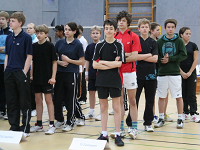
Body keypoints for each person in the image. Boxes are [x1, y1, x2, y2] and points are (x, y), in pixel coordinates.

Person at [93, 19, 125, 147]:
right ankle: (104, 133)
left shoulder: (119, 45)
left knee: (117, 108)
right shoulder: (99, 45)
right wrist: (110, 64)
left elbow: (119, 63)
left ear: (115, 30)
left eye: (111, 28)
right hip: (101, 80)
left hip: (115, 80)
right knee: (103, 108)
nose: (109, 30)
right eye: (107, 28)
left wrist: (103, 62)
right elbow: (95, 64)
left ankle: (118, 134)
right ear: (104, 30)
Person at [154, 19, 187, 129]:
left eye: (172, 27)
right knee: (162, 97)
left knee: (178, 97)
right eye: (168, 27)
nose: (170, 29)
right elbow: (156, 56)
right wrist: (161, 60)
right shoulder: (159, 42)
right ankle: (161, 118)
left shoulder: (179, 41)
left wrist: (171, 59)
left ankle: (180, 119)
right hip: (162, 73)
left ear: (175, 28)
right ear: (165, 28)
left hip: (175, 73)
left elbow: (183, 55)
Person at [4, 12, 32, 137]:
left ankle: (25, 127)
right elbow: (7, 55)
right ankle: (13, 126)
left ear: (20, 23)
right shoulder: (9, 37)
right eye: (10, 21)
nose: (10, 23)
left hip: (20, 72)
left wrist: (24, 72)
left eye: (13, 21)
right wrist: (6, 70)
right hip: (9, 72)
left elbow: (29, 56)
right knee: (11, 101)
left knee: (24, 101)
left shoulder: (26, 37)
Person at [115, 10, 142, 139]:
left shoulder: (134, 36)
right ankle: (120, 128)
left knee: (132, 101)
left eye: (124, 20)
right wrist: (127, 55)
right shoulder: (113, 36)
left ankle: (134, 128)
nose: (121, 22)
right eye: (119, 20)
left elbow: (135, 56)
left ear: (128, 23)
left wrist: (121, 57)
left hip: (130, 73)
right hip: (116, 73)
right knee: (119, 102)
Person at [53, 22, 85, 131]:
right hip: (59, 73)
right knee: (57, 98)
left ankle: (70, 122)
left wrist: (69, 61)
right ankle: (60, 120)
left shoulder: (78, 44)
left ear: (74, 31)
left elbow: (82, 62)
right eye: (65, 29)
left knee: (70, 99)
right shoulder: (59, 43)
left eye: (69, 30)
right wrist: (59, 62)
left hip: (72, 74)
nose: (67, 31)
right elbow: (53, 58)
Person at [30, 24, 57, 135]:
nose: (39, 35)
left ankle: (51, 125)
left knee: (49, 100)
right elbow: (32, 62)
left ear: (46, 34)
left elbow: (54, 62)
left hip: (47, 78)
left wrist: (53, 77)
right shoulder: (34, 46)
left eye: (41, 33)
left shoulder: (50, 46)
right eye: (38, 33)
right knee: (38, 100)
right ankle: (39, 124)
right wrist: (31, 75)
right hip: (36, 77)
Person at [135, 18, 158, 132]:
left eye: (146, 27)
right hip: (136, 75)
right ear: (139, 29)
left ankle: (148, 123)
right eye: (142, 27)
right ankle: (132, 123)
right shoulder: (135, 41)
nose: (144, 29)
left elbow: (155, 59)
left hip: (151, 76)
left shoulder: (153, 42)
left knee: (150, 100)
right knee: (135, 100)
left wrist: (142, 56)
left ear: (149, 29)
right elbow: (134, 57)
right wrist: (148, 55)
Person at [150, 22, 173, 123]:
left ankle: (163, 113)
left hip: (161, 71)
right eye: (157, 30)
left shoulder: (160, 42)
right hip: (151, 70)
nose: (159, 32)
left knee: (164, 93)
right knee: (151, 94)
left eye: (160, 30)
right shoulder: (149, 42)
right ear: (152, 30)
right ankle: (153, 114)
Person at [179, 27, 200, 123]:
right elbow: (176, 61)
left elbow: (196, 60)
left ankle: (193, 113)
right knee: (183, 93)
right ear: (181, 35)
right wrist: (182, 73)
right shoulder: (178, 45)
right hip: (180, 73)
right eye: (186, 33)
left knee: (191, 93)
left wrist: (190, 72)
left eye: (189, 34)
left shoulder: (193, 45)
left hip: (191, 72)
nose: (188, 35)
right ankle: (185, 112)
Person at [84, 25, 102, 121]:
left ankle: (102, 112)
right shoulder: (89, 47)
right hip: (91, 73)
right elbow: (87, 60)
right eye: (93, 33)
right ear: (91, 35)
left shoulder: (102, 46)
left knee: (101, 94)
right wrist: (86, 72)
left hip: (101, 73)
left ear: (100, 34)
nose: (95, 35)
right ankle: (91, 112)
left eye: (97, 33)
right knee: (91, 92)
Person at [0, 11, 12, 120]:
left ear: (7, 20)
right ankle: (1, 110)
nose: (0, 21)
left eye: (2, 19)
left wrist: (2, 49)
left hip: (6, 64)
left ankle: (7, 110)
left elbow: (10, 47)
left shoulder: (10, 33)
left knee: (7, 88)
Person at [27, 23, 38, 117]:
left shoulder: (36, 41)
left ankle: (34, 108)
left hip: (34, 68)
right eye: (27, 28)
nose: (28, 30)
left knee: (33, 90)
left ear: (35, 30)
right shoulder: (27, 39)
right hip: (27, 67)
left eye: (30, 28)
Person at [77, 25, 88, 105]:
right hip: (78, 65)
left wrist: (83, 65)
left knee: (82, 83)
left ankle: (83, 98)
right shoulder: (77, 40)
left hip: (82, 66)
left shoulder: (83, 40)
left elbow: (84, 54)